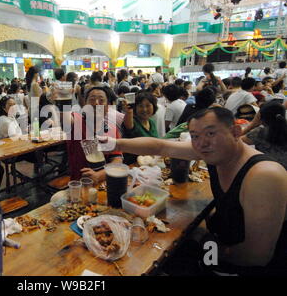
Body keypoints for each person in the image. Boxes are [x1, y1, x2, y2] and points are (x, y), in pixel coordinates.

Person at [100, 107, 287, 275]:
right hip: (220, 244)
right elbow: (161, 146)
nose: (202, 143)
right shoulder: (216, 152)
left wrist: (204, 241)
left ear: (236, 131)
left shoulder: (264, 175)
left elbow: (256, 256)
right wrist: (115, 144)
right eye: (195, 136)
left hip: (243, 268)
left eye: (211, 133)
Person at [65, 86, 123, 183]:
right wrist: (63, 100)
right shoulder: (76, 121)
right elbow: (65, 118)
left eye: (101, 100)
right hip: (79, 184)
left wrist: (99, 175)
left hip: (104, 183)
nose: (96, 103)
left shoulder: (111, 129)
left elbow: (117, 160)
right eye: (92, 99)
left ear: (108, 107)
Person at [241, 100, 287, 170]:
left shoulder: (259, 133)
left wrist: (252, 125)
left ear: (261, 118)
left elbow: (234, 141)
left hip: (269, 173)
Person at [121, 92, 159, 164]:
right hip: (133, 166)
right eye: (140, 106)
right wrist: (129, 111)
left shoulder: (151, 122)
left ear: (154, 107)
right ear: (135, 108)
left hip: (149, 164)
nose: (144, 109)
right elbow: (128, 125)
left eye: (148, 106)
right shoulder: (133, 121)